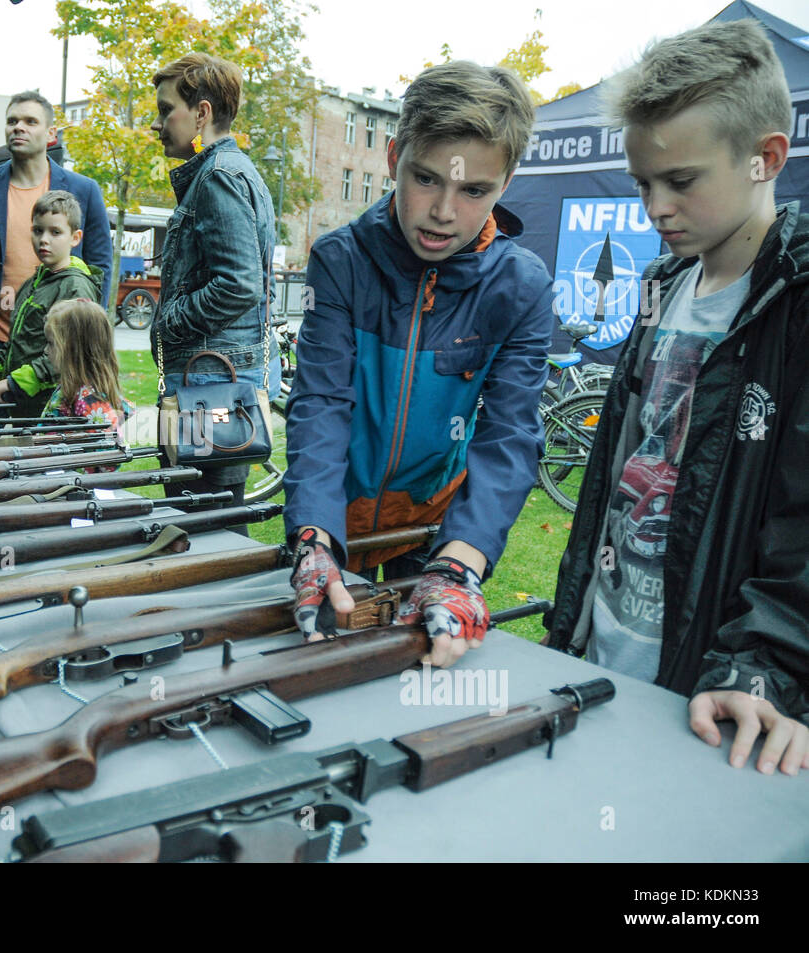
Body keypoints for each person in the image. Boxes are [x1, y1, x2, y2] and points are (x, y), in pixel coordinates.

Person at [545, 19, 809, 775]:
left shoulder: (799, 301)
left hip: (716, 700)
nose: (655, 207)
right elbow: (612, 478)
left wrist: (762, 667)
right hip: (608, 652)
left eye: (681, 181)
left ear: (766, 158)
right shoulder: (662, 285)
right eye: (641, 183)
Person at [283, 60, 553, 664]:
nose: (443, 212)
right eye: (426, 179)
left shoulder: (522, 286)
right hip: (336, 509)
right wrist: (312, 535)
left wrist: (463, 561)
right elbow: (322, 402)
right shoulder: (340, 260)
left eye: (474, 191)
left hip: (436, 524)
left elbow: (509, 434)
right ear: (392, 155)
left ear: (506, 182)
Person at [149, 53, 280, 529]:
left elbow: (239, 283)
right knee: (214, 515)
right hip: (215, 382)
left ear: (201, 114)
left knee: (205, 524)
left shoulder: (218, 176)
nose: (158, 123)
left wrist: (170, 319)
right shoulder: (226, 170)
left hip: (210, 384)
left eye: (167, 111)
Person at [0, 91, 113, 391]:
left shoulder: (83, 190)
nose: (18, 127)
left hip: (57, 348)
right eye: (12, 121)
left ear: (50, 133)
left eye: (30, 121)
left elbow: (100, 266)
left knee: (49, 437)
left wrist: (84, 334)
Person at [0, 191, 103, 418]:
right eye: (38, 230)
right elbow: (17, 343)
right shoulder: (33, 282)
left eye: (55, 232)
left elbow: (71, 354)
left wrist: (15, 383)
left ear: (75, 237)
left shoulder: (76, 287)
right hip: (23, 407)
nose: (44, 239)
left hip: (53, 411)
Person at [41, 299, 134, 434]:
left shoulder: (90, 405)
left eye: (51, 343)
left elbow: (98, 453)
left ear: (73, 349)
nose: (46, 350)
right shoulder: (76, 390)